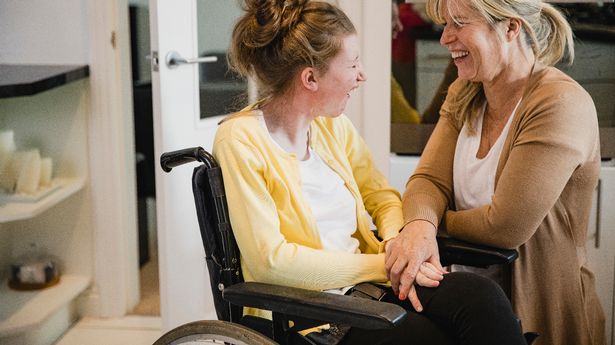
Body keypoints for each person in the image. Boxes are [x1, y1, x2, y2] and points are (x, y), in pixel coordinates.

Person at [213, 0, 528, 344]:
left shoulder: (333, 128)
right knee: (429, 337)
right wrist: (383, 266)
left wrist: (397, 243)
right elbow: (271, 263)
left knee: (479, 297)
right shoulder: (241, 140)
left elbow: (381, 196)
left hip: (367, 291)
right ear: (310, 78)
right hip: (306, 313)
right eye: (352, 64)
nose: (362, 75)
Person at [385, 0, 605, 344]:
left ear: (510, 28)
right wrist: (419, 225)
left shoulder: (559, 103)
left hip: (537, 312)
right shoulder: (466, 91)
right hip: (466, 310)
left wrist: (428, 225)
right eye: (445, 24)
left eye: (459, 23)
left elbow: (504, 226)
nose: (445, 38)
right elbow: (428, 180)